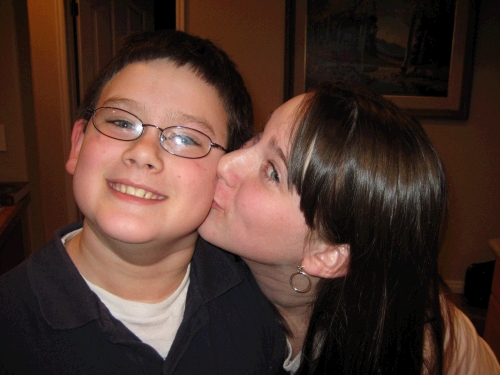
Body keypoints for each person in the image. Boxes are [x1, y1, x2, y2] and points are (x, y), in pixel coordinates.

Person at [0, 30, 285, 374]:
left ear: (224, 175)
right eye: (121, 122)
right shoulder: (10, 322)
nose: (143, 153)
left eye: (185, 138)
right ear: (78, 145)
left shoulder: (257, 305)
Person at [199, 81, 500, 374]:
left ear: (328, 255)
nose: (226, 163)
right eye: (257, 137)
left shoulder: (423, 346)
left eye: (273, 172)